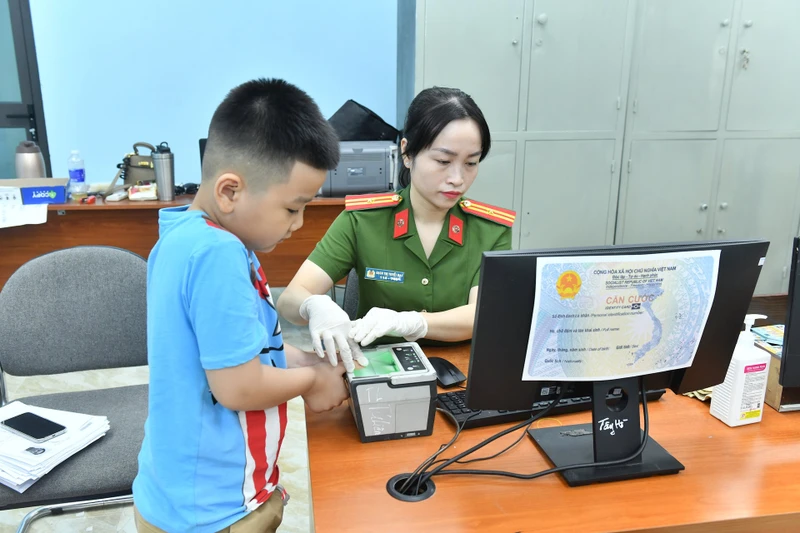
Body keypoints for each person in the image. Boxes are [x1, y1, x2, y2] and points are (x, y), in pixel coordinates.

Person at [132, 78, 348, 533]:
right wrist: (311, 381)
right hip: (216, 510)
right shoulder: (218, 255)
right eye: (293, 208)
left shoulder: (185, 238)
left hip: (175, 492)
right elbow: (238, 386)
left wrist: (311, 357)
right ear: (230, 191)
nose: (300, 223)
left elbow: (243, 349)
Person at [277, 86, 515, 361]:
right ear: (407, 153)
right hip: (379, 371)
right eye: (443, 160)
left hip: (463, 374)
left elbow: (483, 315)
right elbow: (289, 299)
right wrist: (313, 305)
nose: (457, 178)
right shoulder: (363, 221)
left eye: (471, 163)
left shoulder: (491, 230)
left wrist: (415, 322)